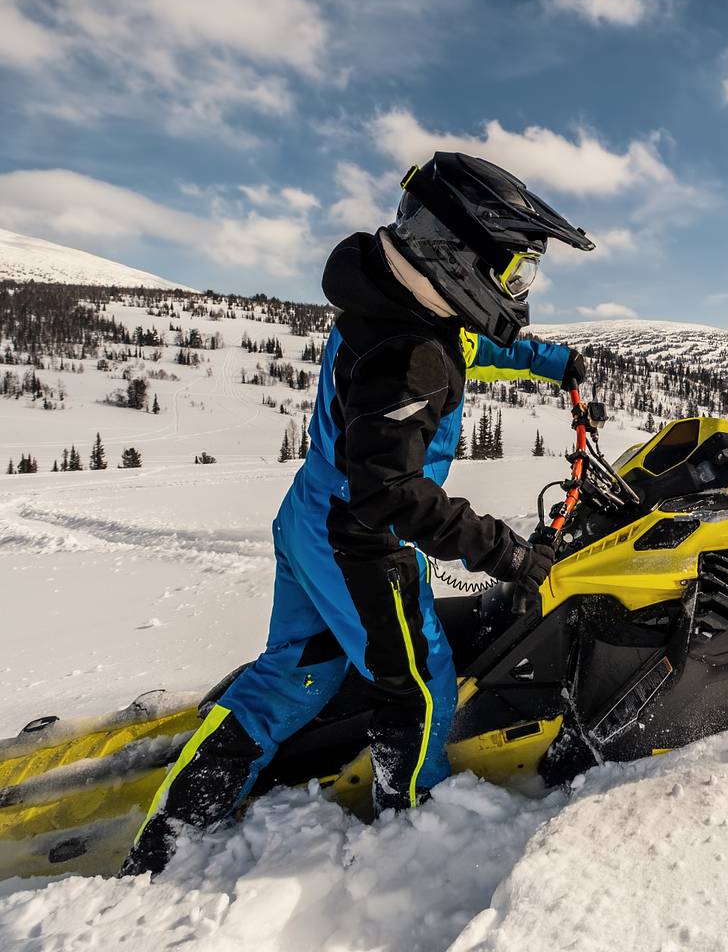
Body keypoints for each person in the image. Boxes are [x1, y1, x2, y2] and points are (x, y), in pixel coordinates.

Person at [123, 152, 594, 875]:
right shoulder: (409, 356)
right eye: (515, 271)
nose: (518, 287)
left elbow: (474, 348)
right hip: (359, 541)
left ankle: (171, 832)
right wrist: (504, 551)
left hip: (313, 518)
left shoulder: (395, 301)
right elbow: (393, 494)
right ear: (458, 253)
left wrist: (551, 363)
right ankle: (409, 826)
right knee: (422, 682)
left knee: (296, 674)